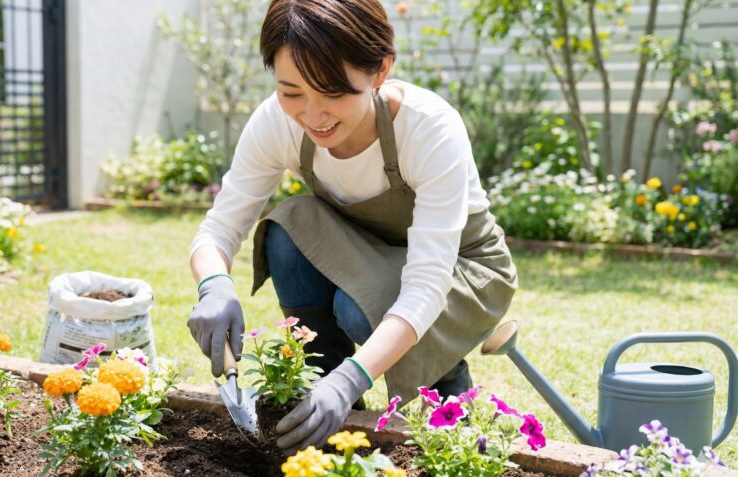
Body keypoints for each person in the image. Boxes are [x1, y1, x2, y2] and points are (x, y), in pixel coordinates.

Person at [187, 0, 517, 454]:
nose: (313, 116)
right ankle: (327, 406)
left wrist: (352, 378)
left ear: (380, 71)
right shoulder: (277, 123)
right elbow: (219, 227)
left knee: (359, 305)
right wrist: (214, 284)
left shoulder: (429, 129)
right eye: (292, 91)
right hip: (364, 252)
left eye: (333, 92)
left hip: (462, 268)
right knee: (288, 230)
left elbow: (425, 282)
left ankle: (444, 387)